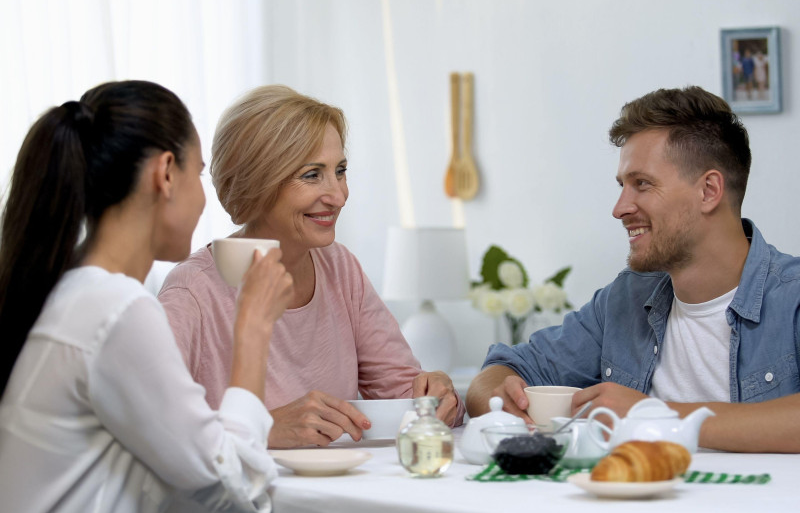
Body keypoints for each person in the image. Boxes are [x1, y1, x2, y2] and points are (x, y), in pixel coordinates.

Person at [0, 80, 294, 513]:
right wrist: (255, 327)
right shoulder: (116, 309)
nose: (205, 200)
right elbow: (233, 481)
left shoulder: (75, 291)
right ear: (165, 174)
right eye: (199, 174)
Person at [466, 86, 800, 454]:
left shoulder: (792, 296)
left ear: (709, 191)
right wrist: (504, 401)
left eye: (642, 184)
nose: (620, 207)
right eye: (623, 185)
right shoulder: (625, 299)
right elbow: (497, 373)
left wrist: (653, 415)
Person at [157, 85, 465, 451]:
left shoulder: (340, 268)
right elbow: (155, 433)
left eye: (340, 170)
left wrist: (439, 394)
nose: (338, 195)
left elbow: (406, 397)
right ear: (257, 183)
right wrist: (265, 428)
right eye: (311, 175)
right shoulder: (192, 293)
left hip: (336, 495)